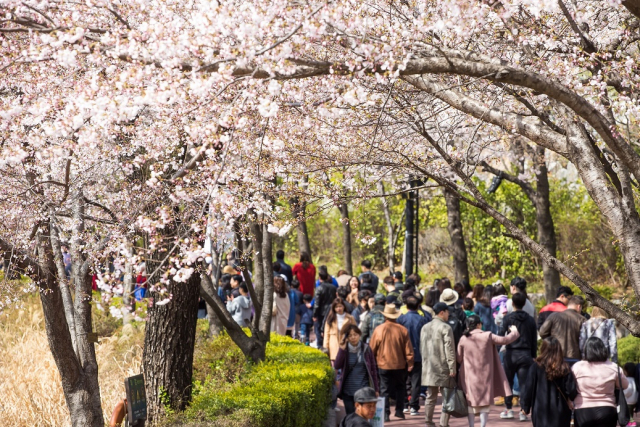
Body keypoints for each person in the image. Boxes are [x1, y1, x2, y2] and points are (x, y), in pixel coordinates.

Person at [457, 315, 520, 426]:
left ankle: (471, 425)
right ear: (478, 324)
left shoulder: (463, 338)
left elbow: (459, 358)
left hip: (468, 374)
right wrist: (514, 332)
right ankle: (483, 425)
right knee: (485, 402)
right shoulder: (487, 335)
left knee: (470, 402)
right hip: (485, 374)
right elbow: (504, 340)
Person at [369, 304, 414, 421]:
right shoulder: (402, 330)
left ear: (385, 316)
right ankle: (399, 411)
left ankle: (385, 414)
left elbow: (372, 348)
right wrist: (410, 363)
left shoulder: (379, 329)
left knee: (384, 389)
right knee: (400, 388)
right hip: (400, 364)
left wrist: (372, 362)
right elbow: (408, 349)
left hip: (383, 364)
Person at [521, 337, 578, 427]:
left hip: (540, 410)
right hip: (560, 411)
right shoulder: (564, 367)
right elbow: (571, 390)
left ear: (543, 349)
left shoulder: (535, 367)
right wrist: (569, 398)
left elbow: (528, 388)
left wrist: (525, 407)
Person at [572, 337, 628, 427]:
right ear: (603, 349)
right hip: (607, 410)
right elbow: (625, 385)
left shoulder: (577, 367)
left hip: (583, 410)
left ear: (586, 350)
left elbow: (571, 387)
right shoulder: (614, 367)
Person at [500, 292, 538, 420]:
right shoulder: (530, 319)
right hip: (526, 354)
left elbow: (501, 335)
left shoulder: (508, 318)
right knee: (524, 384)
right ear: (524, 303)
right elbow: (534, 340)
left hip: (510, 353)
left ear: (512, 304)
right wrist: (533, 355)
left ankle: (508, 409)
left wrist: (497, 350)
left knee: (508, 383)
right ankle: (523, 411)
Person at [421, 302, 456, 427]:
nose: (449, 314)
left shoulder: (425, 327)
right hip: (443, 366)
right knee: (447, 396)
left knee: (430, 396)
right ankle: (443, 423)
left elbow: (422, 348)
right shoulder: (446, 328)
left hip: (429, 366)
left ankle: (428, 422)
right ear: (442, 312)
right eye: (447, 312)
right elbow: (449, 349)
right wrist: (452, 367)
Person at [335, 324, 380, 414]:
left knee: (361, 416)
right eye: (350, 335)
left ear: (359, 335)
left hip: (362, 390)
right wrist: (341, 350)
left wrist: (376, 388)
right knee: (350, 415)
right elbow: (337, 365)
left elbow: (373, 370)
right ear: (346, 337)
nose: (353, 337)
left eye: (355, 334)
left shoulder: (366, 349)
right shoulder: (345, 349)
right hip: (347, 390)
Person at [397, 295, 430, 416]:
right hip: (418, 353)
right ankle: (414, 406)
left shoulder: (401, 319)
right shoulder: (423, 319)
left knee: (404, 379)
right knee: (416, 381)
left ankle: (405, 403)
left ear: (406, 306)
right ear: (418, 306)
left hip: (403, 354)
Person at [540, 295, 586, 363]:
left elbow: (542, 332)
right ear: (579, 307)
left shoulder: (554, 316)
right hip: (574, 357)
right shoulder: (582, 320)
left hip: (556, 356)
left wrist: (552, 341)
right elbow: (585, 340)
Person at [323, 298, 356, 363]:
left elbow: (355, 330)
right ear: (334, 308)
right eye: (336, 307)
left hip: (346, 344)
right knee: (334, 365)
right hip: (333, 344)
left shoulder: (350, 318)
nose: (339, 308)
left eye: (340, 306)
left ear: (343, 306)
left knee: (345, 365)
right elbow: (326, 334)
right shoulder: (330, 318)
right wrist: (325, 347)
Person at [313, 269, 337, 347]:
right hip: (331, 311)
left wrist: (314, 314)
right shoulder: (333, 288)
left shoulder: (319, 288)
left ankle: (320, 346)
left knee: (319, 329)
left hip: (321, 313)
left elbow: (317, 303)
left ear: (319, 278)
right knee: (328, 328)